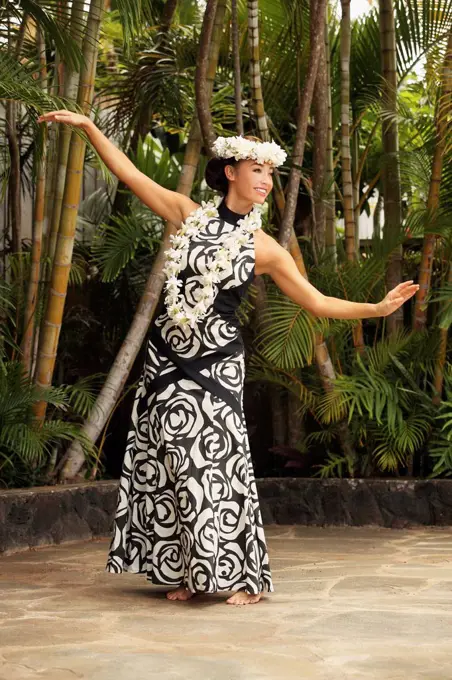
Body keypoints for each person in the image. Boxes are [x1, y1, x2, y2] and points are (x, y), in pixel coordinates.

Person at [38, 111, 419, 606]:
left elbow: (317, 302)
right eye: (256, 170)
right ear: (231, 172)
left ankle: (243, 577)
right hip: (167, 356)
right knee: (168, 459)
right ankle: (188, 569)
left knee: (214, 463)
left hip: (217, 363)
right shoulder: (186, 214)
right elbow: (129, 175)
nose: (265, 180)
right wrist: (91, 128)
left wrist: (376, 307)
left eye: (269, 172)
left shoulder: (264, 248)